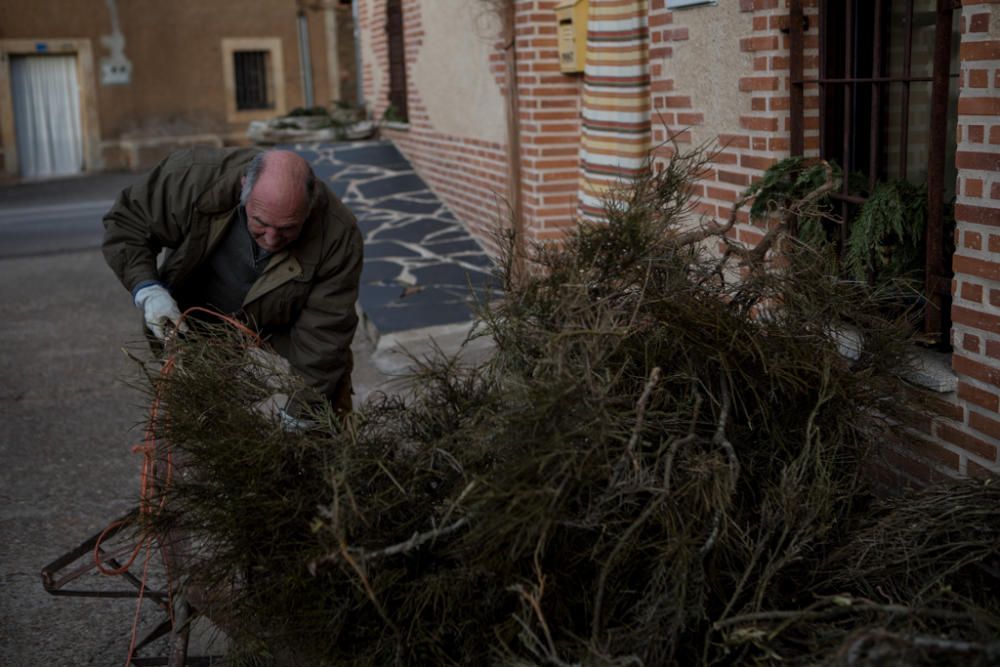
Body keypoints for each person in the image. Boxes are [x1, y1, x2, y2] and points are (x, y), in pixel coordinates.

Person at [102, 146, 363, 413]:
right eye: (261, 222)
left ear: (309, 208)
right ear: (243, 189)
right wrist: (147, 288)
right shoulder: (193, 176)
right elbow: (128, 224)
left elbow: (325, 334)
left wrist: (302, 416)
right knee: (198, 410)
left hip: (284, 315)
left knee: (327, 394)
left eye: (287, 228)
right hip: (201, 313)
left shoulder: (337, 234)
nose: (272, 240)